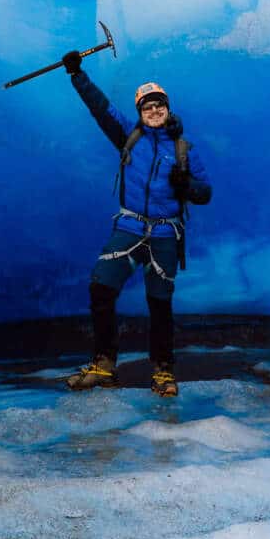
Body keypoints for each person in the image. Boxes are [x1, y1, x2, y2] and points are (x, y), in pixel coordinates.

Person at [61, 49, 212, 397]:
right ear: (140, 112)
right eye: (148, 106)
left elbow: (205, 192)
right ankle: (104, 364)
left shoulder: (184, 150)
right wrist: (77, 75)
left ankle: (162, 370)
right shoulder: (128, 136)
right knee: (101, 288)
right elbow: (100, 108)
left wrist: (186, 185)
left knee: (159, 303)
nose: (154, 110)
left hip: (164, 232)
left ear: (167, 108)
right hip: (129, 228)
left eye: (159, 105)